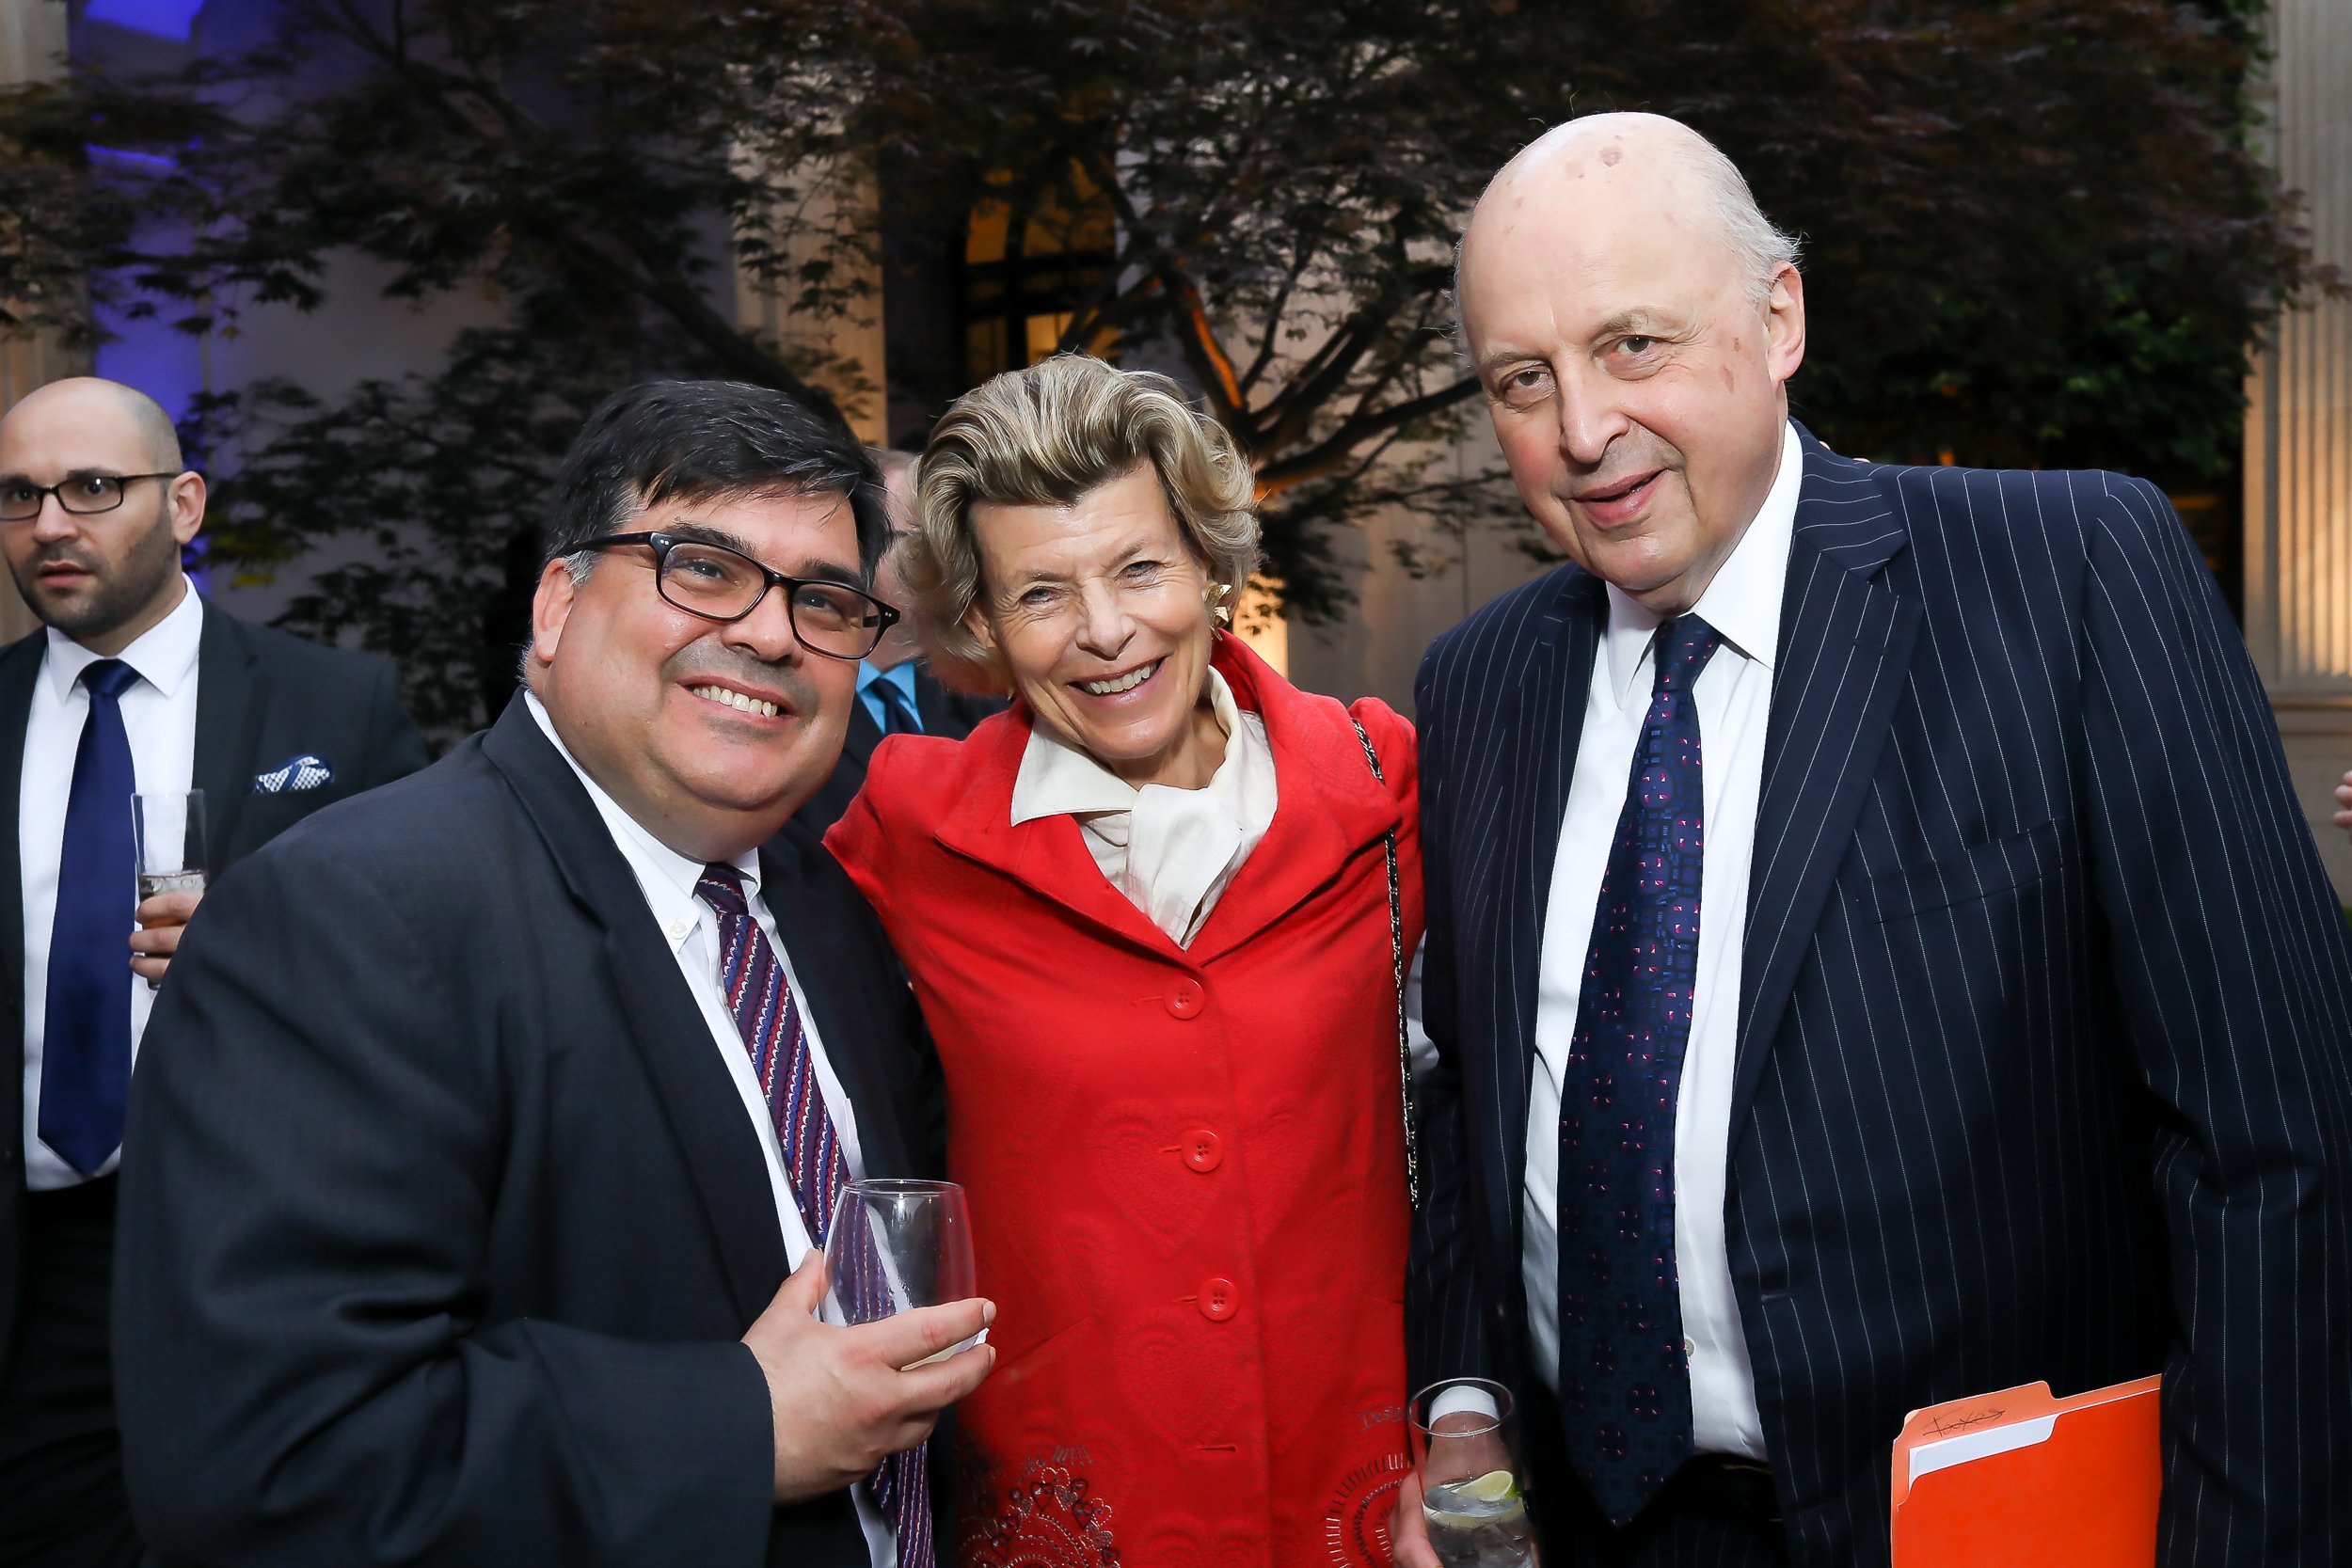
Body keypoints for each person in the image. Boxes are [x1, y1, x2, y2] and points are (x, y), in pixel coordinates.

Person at [1400, 113, 2352, 1568]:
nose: (1582, 428)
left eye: (1634, 345)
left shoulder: (2071, 573)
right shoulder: (1479, 688)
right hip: (1601, 1527)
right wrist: (1466, 1412)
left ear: (1777, 315)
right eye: (1523, 379)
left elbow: (2277, 1148)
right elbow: (1477, 1109)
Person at [111, 379, 995, 1567]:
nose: (772, 632)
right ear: (557, 601)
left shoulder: (835, 896)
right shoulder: (344, 918)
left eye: (826, 600)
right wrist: (738, 1424)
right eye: (704, 567)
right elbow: (271, 1462)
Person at [827, 356, 1423, 1568]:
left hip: (1360, 1501)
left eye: (1140, 566)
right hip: (1077, 1504)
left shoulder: (1378, 783)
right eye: (1041, 592)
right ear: (982, 623)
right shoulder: (911, 826)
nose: (1104, 630)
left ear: (1208, 566)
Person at [0, 375, 427, 1567]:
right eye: (20, 495)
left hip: (269, 1239)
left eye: (92, 487)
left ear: (185, 503)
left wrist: (278, 940)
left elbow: (438, 957)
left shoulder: (337, 705)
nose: (50, 525)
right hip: (41, 1270)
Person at [793, 448, 1004, 834]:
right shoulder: (786, 698)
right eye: (928, 538)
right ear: (858, 550)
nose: (958, 559)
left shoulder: (988, 698)